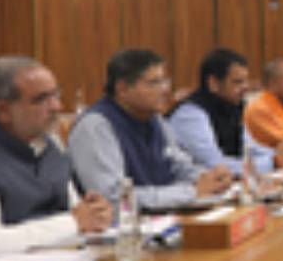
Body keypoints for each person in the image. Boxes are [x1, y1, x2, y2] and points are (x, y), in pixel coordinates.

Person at [0, 56, 112, 259]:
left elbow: (75, 212)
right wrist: (73, 222)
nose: (57, 106)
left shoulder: (47, 144)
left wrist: (95, 215)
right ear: (3, 111)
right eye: (42, 99)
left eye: (56, 95)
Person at [69, 49, 233, 211]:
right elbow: (113, 198)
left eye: (165, 81)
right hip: (123, 225)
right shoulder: (96, 127)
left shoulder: (156, 121)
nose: (165, 89)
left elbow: (178, 166)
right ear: (122, 89)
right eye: (154, 83)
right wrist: (190, 193)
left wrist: (209, 179)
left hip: (162, 218)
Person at [169, 48, 283, 176]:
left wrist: (281, 154)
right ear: (213, 83)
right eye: (237, 82)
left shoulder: (234, 106)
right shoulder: (190, 116)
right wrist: (273, 162)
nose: (246, 87)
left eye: (246, 81)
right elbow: (215, 165)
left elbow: (251, 147)